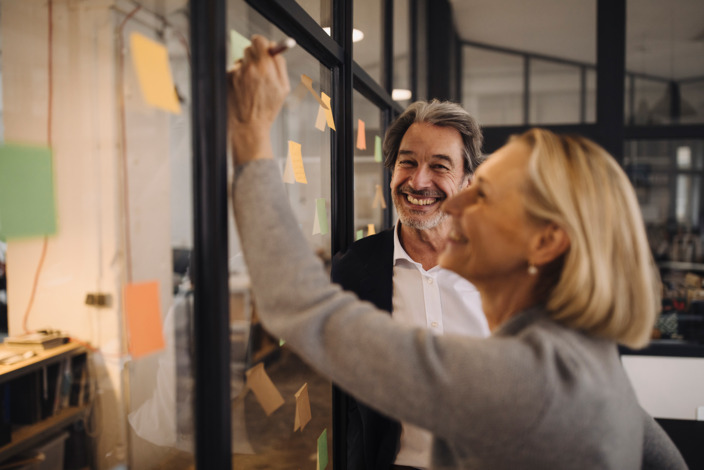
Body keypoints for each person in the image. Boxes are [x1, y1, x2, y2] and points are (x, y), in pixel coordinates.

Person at [228, 35, 686, 469]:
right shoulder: (584, 355)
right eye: (408, 162)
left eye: (484, 193)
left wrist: (252, 136)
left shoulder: (525, 379)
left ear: (545, 242)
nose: (458, 203)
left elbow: (304, 309)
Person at [332, 100, 489, 470]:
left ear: (467, 181)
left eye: (439, 166)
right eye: (407, 162)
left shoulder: (502, 268)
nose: (418, 181)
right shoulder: (354, 270)